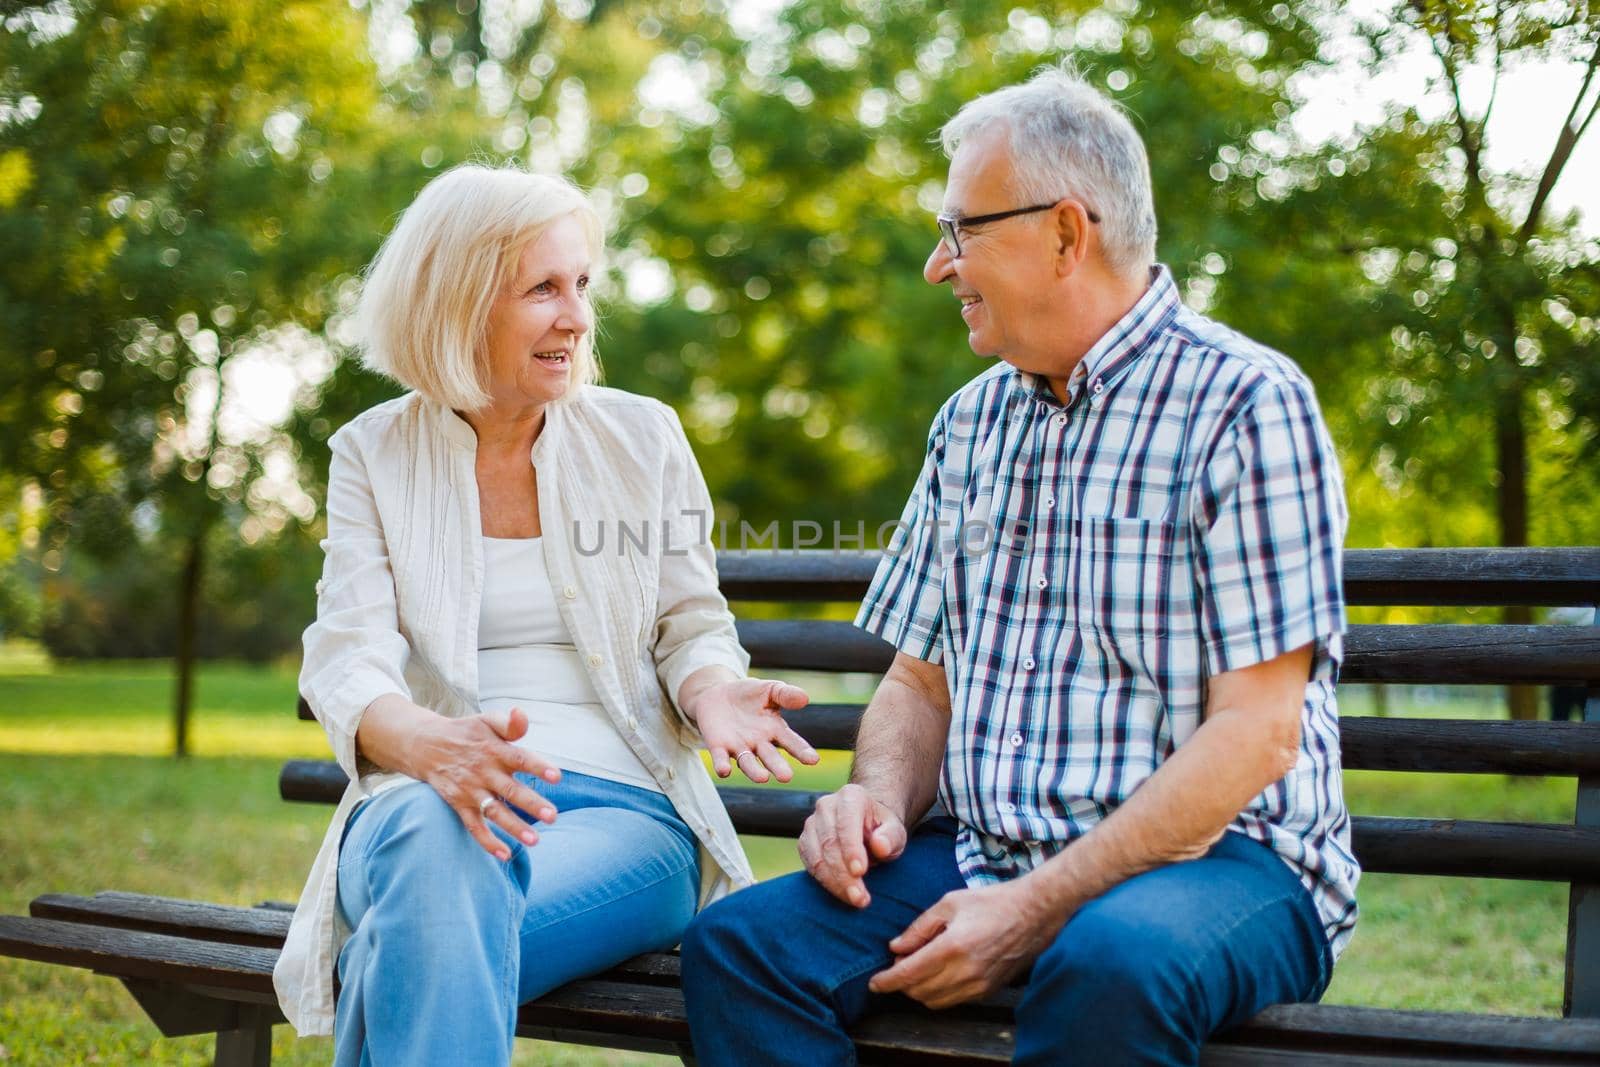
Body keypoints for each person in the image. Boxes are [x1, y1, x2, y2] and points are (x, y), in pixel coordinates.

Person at [681, 65, 1359, 1066]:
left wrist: (1032, 908)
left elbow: (1256, 733)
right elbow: (918, 683)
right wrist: (874, 797)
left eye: (961, 230)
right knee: (741, 947)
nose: (937, 264)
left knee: (1108, 964)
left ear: (1065, 233)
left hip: (1227, 863)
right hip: (982, 850)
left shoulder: (1246, 403)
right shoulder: (969, 423)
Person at [272, 164, 819, 1066]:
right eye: (543, 289)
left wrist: (713, 690)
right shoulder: (373, 453)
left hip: (627, 818)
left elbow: (690, 623)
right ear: (459, 302)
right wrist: (430, 747)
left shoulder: (644, 437)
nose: (577, 316)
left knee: (410, 942)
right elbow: (347, 655)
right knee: (437, 848)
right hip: (423, 807)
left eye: (582, 286)